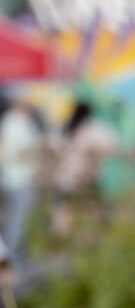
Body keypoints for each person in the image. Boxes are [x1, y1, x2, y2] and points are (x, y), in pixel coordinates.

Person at [50, 99, 121, 238]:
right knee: (88, 213)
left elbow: (52, 146)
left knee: (63, 212)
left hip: (64, 178)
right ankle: (83, 240)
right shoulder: (93, 129)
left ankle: (60, 241)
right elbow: (111, 145)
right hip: (85, 178)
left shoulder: (64, 127)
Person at [0, 94, 45, 282]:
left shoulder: (15, 123)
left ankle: (17, 262)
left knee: (19, 222)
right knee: (17, 222)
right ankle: (12, 264)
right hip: (17, 179)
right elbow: (12, 152)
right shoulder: (14, 123)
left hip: (19, 178)